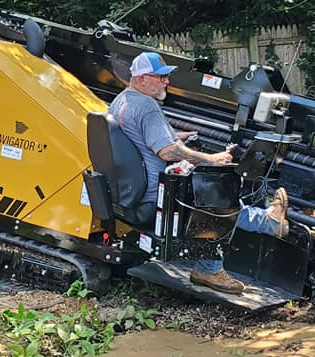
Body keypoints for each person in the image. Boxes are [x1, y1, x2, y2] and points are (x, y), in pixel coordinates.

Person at [108, 51, 289, 294]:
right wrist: (211, 158)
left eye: (165, 77)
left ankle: (266, 221)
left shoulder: (123, 100)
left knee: (204, 180)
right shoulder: (147, 107)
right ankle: (213, 266)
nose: (166, 82)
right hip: (155, 194)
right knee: (215, 190)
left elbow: (143, 137)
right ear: (141, 79)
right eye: (159, 77)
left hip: (131, 191)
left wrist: (178, 137)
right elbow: (168, 152)